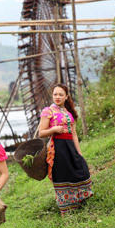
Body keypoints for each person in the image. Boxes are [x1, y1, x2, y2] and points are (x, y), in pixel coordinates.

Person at [39, 84, 93, 215]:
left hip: (70, 147)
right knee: (63, 175)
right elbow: (41, 133)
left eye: (61, 94)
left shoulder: (68, 113)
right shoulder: (48, 111)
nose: (57, 97)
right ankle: (67, 211)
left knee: (81, 171)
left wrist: (79, 152)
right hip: (58, 148)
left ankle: (80, 203)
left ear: (66, 96)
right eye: (55, 94)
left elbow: (74, 134)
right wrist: (54, 130)